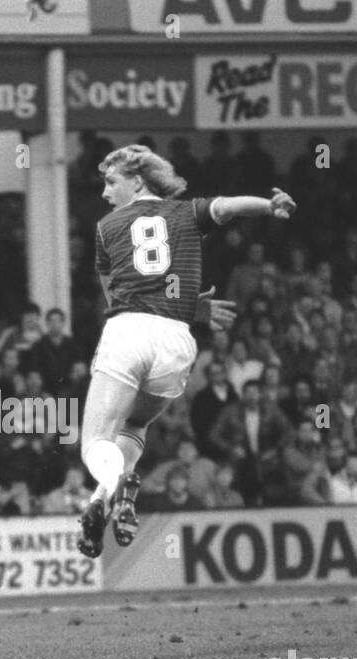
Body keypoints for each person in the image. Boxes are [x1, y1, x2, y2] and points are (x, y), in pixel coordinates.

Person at [77, 144, 293, 557]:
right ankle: (105, 498)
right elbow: (229, 207)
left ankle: (118, 484)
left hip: (128, 333)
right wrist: (271, 204)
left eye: (111, 182)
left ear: (137, 181)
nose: (105, 194)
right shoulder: (187, 212)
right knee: (136, 426)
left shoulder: (106, 228)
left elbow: (119, 297)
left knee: (94, 443)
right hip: (177, 342)